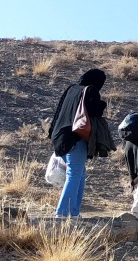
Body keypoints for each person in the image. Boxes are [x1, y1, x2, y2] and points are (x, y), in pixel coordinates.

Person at [48, 68, 114, 218]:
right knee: (74, 174)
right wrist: (102, 104)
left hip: (59, 136)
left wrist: (51, 133)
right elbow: (95, 111)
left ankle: (74, 212)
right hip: (75, 138)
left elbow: (58, 111)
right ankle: (63, 213)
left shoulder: (71, 89)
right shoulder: (90, 91)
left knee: (80, 173)